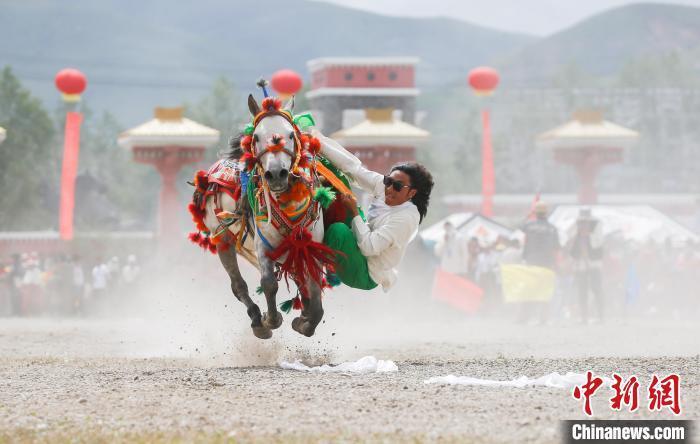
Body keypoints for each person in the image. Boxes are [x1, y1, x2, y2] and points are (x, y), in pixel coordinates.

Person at [316, 133, 434, 292]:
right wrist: (316, 142)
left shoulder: (406, 219)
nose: (390, 189)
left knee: (338, 231)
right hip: (360, 241)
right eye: (388, 181)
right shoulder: (387, 187)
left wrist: (354, 211)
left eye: (397, 186)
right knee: (337, 178)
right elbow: (353, 170)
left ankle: (312, 259)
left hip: (365, 272)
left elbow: (368, 247)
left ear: (411, 193)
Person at [519, 201, 560, 323]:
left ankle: (524, 317)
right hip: (547, 264)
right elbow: (556, 247)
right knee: (545, 291)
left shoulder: (529, 226)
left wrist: (528, 214)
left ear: (535, 213)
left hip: (531, 262)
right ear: (546, 213)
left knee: (528, 290)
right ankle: (543, 318)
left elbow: (518, 228)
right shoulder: (552, 228)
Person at [570, 207, 604, 323]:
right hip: (581, 267)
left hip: (594, 266)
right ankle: (584, 317)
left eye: (586, 222)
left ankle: (600, 316)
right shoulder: (577, 235)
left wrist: (588, 236)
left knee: (597, 290)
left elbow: (598, 249)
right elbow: (573, 253)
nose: (584, 225)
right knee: (582, 291)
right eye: (582, 222)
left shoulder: (597, 234)